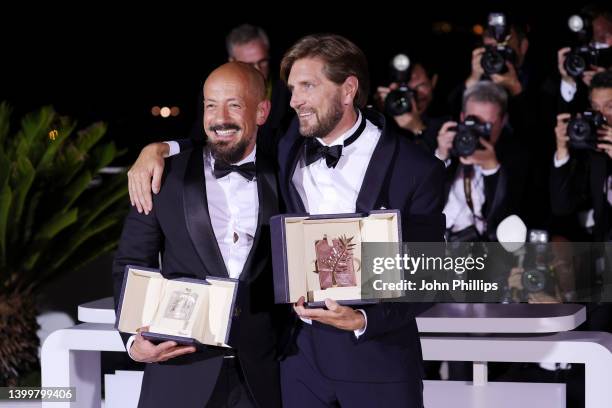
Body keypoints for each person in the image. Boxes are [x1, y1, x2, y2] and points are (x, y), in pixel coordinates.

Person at [128, 33, 445, 408]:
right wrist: (160, 149)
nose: (294, 101)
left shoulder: (417, 168)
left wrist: (362, 319)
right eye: (292, 88)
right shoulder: (287, 147)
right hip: (297, 365)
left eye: (307, 87)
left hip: (377, 364)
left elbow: (431, 273)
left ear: (348, 90)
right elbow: (226, 140)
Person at [113, 62, 283, 408]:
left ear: (261, 111)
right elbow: (132, 261)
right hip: (179, 372)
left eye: (234, 105)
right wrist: (132, 339)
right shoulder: (163, 177)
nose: (220, 118)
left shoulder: (285, 173)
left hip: (263, 378)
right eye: (210, 105)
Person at [437, 81, 528, 242]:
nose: (478, 130)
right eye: (474, 121)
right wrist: (441, 157)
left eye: (487, 125)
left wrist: (491, 169)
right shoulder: (448, 143)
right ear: (462, 117)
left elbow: (507, 224)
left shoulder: (516, 157)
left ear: (503, 121)